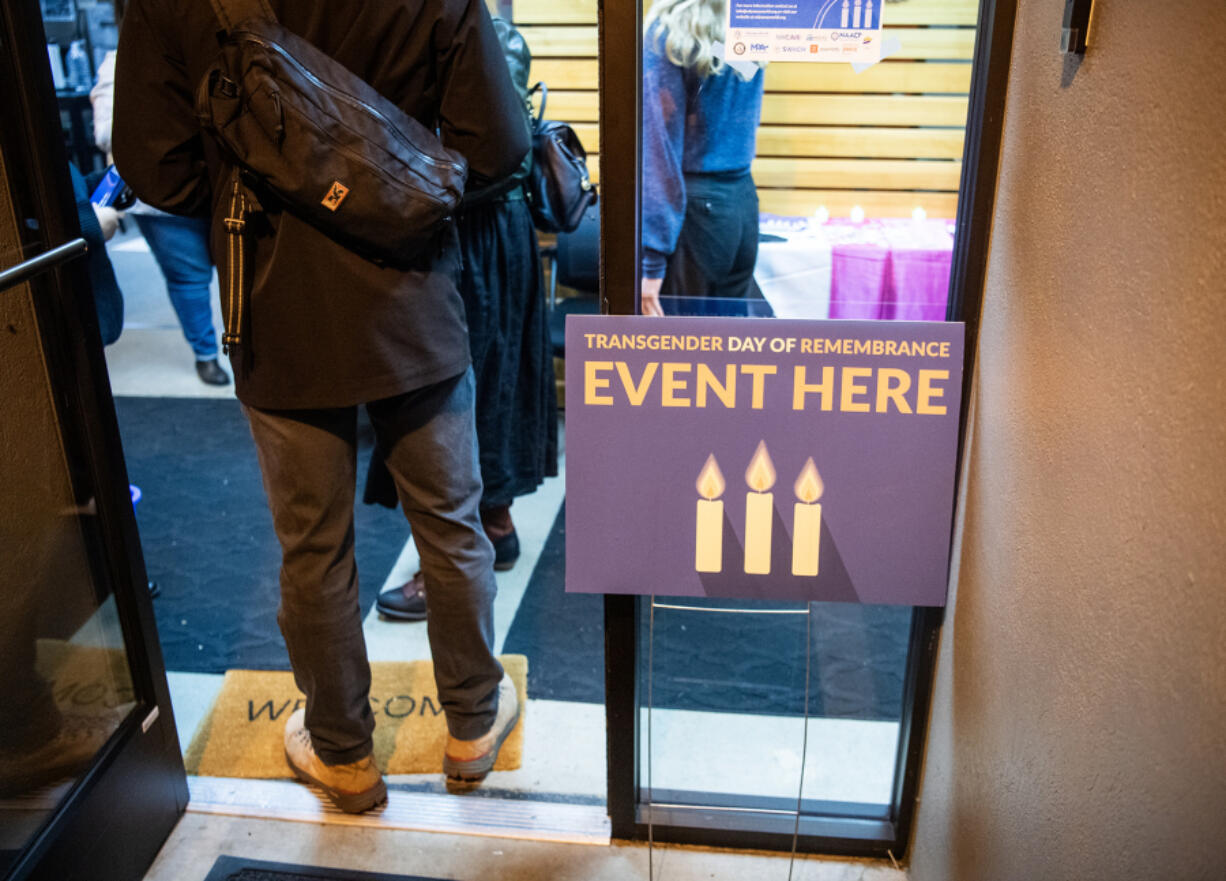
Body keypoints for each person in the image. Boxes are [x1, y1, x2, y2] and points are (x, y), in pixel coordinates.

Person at [114, 0, 530, 811]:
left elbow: (155, 165)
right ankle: (474, 724)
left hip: (272, 294)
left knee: (312, 546)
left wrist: (260, 170)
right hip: (410, 295)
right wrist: (391, 183)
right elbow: (498, 143)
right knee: (451, 525)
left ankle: (341, 753)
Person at [373, 17, 558, 622]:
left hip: (467, 233)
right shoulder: (491, 32)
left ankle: (450, 567)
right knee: (495, 380)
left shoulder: (462, 34)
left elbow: (473, 153)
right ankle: (497, 527)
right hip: (499, 232)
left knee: (456, 395)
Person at [90, 49, 230, 386]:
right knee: (189, 280)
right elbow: (107, 133)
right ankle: (206, 355)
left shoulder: (217, 47)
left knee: (243, 274)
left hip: (224, 189)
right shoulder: (121, 60)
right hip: (162, 198)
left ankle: (246, 351)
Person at [640, 0, 766, 317]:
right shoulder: (749, 23)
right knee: (730, 347)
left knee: (684, 351)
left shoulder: (670, 34)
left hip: (698, 211)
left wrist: (651, 262)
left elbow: (659, 150)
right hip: (740, 204)